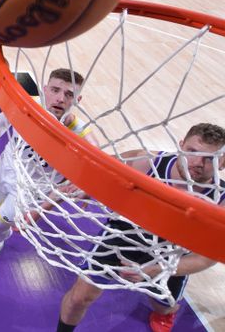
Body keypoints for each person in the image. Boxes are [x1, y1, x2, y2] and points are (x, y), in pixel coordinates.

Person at [57, 123, 225, 332]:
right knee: (79, 298)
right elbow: (99, 166)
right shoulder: (148, 161)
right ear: (180, 145)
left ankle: (165, 311)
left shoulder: (221, 203)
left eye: (210, 158)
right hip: (126, 234)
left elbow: (205, 258)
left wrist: (158, 270)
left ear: (223, 163)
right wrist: (89, 184)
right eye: (192, 151)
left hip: (172, 255)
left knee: (163, 307)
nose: (198, 162)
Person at [0, 68, 98, 266]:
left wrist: (88, 184)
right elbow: (2, 121)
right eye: (55, 90)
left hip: (33, 187)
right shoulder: (26, 107)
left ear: (78, 100)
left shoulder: (80, 133)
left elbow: (96, 164)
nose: (60, 98)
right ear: (44, 90)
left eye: (69, 94)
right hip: (6, 168)